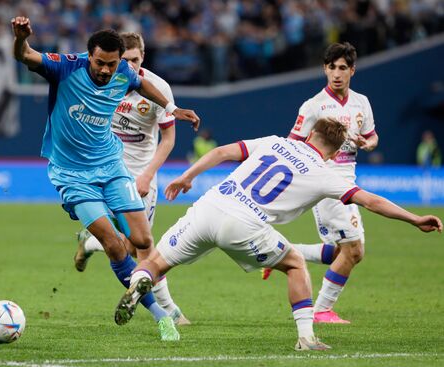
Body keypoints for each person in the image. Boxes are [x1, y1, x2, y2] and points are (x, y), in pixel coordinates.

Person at [113, 118, 442, 350]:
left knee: (154, 263)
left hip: (211, 204)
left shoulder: (274, 142)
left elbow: (221, 153)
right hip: (245, 224)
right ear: (332, 151)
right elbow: (371, 201)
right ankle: (306, 338)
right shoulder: (325, 173)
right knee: (296, 263)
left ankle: (138, 282)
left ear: (311, 134)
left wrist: (186, 176)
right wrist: (414, 219)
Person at [11, 17, 200, 341]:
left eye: (112, 65)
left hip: (112, 168)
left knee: (142, 241)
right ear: (89, 56)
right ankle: (160, 317)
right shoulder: (66, 67)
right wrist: (20, 39)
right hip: (72, 175)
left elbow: (141, 84)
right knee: (115, 245)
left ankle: (91, 246)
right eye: (100, 63)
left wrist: (172, 107)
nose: (106, 70)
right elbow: (25, 55)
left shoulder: (124, 73)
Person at [72, 32, 190, 325]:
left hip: (140, 175)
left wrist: (148, 175)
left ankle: (91, 244)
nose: (130, 66)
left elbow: (168, 138)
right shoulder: (99, 81)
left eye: (135, 60)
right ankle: (170, 311)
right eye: (124, 61)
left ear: (143, 58)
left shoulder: (157, 89)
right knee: (141, 248)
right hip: (105, 170)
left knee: (136, 246)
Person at [268, 42, 380, 324]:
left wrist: (368, 143)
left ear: (352, 70)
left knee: (341, 253)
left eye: (343, 68)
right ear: (324, 69)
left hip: (348, 177)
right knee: (354, 250)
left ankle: (280, 252)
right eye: (332, 67)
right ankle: (321, 310)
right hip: (326, 181)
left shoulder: (361, 102)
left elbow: (373, 135)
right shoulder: (314, 106)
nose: (337, 73)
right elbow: (292, 144)